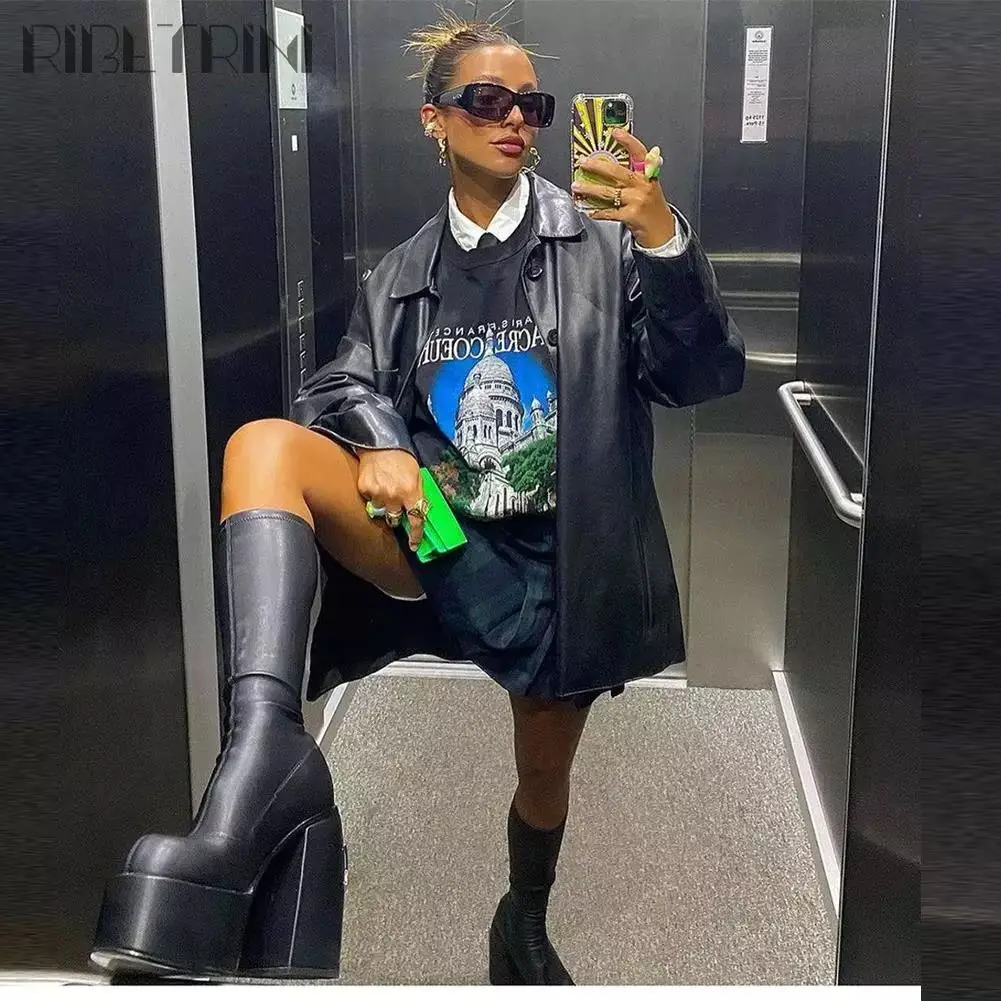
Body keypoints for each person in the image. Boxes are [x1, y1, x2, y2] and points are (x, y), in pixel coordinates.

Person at [92, 7, 744, 987]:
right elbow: (340, 381)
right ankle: (262, 763)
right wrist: (383, 441)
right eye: (486, 100)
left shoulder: (605, 248)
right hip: (436, 531)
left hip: (563, 560)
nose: (513, 118)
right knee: (265, 445)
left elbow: (700, 376)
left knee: (542, 774)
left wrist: (659, 235)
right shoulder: (398, 275)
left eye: (530, 104)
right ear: (434, 119)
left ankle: (521, 917)